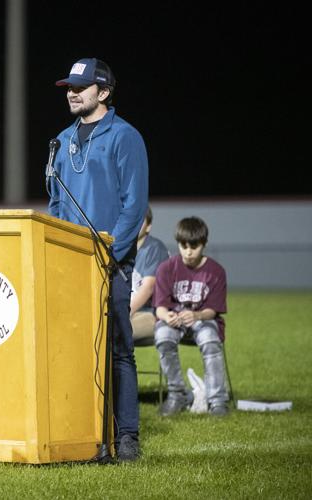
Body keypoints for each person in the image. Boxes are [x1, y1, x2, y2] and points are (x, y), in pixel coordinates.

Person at [47, 58, 148, 461]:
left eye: (81, 86)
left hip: (111, 265)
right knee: (74, 348)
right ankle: (84, 431)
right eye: (69, 87)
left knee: (119, 350)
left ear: (103, 92)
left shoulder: (125, 137)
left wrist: (110, 255)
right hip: (69, 265)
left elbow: (134, 205)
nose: (72, 92)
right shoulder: (59, 139)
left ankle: (126, 436)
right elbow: (55, 205)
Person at [153, 216, 229, 417]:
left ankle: (217, 401)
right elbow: (159, 307)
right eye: (183, 245)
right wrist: (167, 316)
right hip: (174, 321)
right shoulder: (166, 268)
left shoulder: (216, 272)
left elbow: (212, 310)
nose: (188, 251)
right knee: (162, 335)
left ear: (203, 244)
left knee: (209, 339)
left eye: (193, 246)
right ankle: (177, 394)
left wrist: (196, 315)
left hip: (203, 319)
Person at [130, 206, 170, 346]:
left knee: (114, 331)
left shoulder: (154, 248)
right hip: (133, 312)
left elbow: (148, 288)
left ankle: (120, 369)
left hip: (153, 314)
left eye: (140, 221)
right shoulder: (124, 247)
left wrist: (124, 314)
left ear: (148, 227)